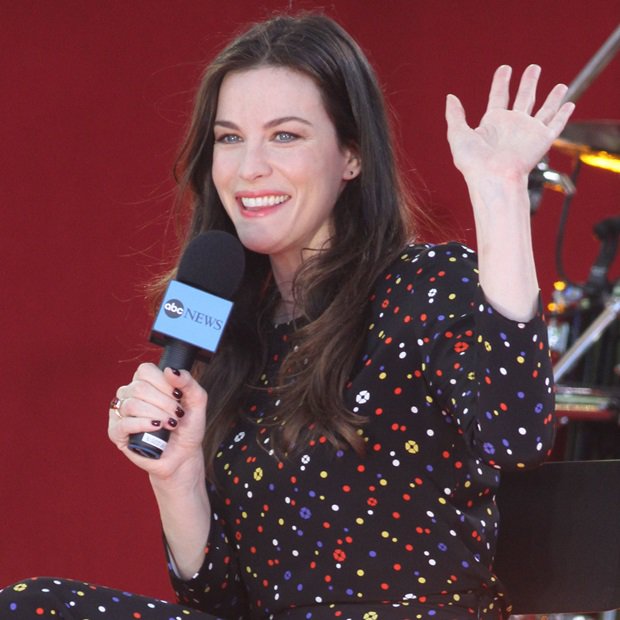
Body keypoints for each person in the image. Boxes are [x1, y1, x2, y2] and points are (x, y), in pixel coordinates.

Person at [1, 12, 573, 620]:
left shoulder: (427, 285)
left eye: (285, 136)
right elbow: (219, 600)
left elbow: (518, 436)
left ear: (351, 154)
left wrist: (500, 193)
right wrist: (178, 477)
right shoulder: (231, 331)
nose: (249, 168)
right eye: (229, 138)